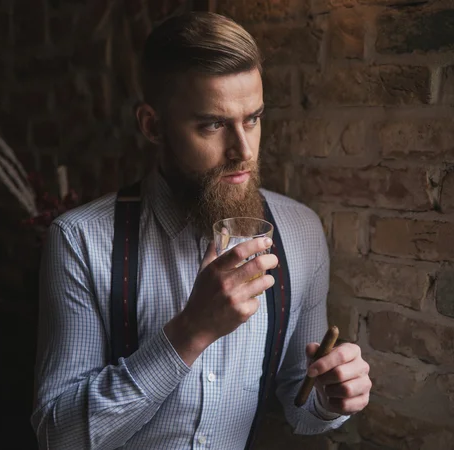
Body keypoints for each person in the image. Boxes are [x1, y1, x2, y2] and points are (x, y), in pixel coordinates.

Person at [31, 11, 371, 449]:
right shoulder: (80, 241)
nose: (243, 150)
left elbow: (298, 403)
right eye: (213, 125)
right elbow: (59, 436)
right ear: (152, 125)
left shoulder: (301, 234)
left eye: (253, 118)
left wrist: (330, 399)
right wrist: (191, 331)